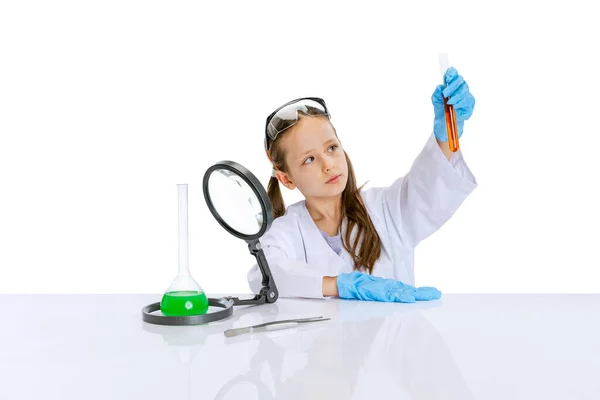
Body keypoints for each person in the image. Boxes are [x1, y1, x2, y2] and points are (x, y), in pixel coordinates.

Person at [247, 67, 477, 302]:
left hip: (402, 339)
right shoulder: (287, 232)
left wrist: (446, 134)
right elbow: (264, 276)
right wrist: (341, 285)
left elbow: (428, 189)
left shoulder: (385, 209)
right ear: (286, 179)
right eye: (309, 159)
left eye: (331, 148)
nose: (328, 165)